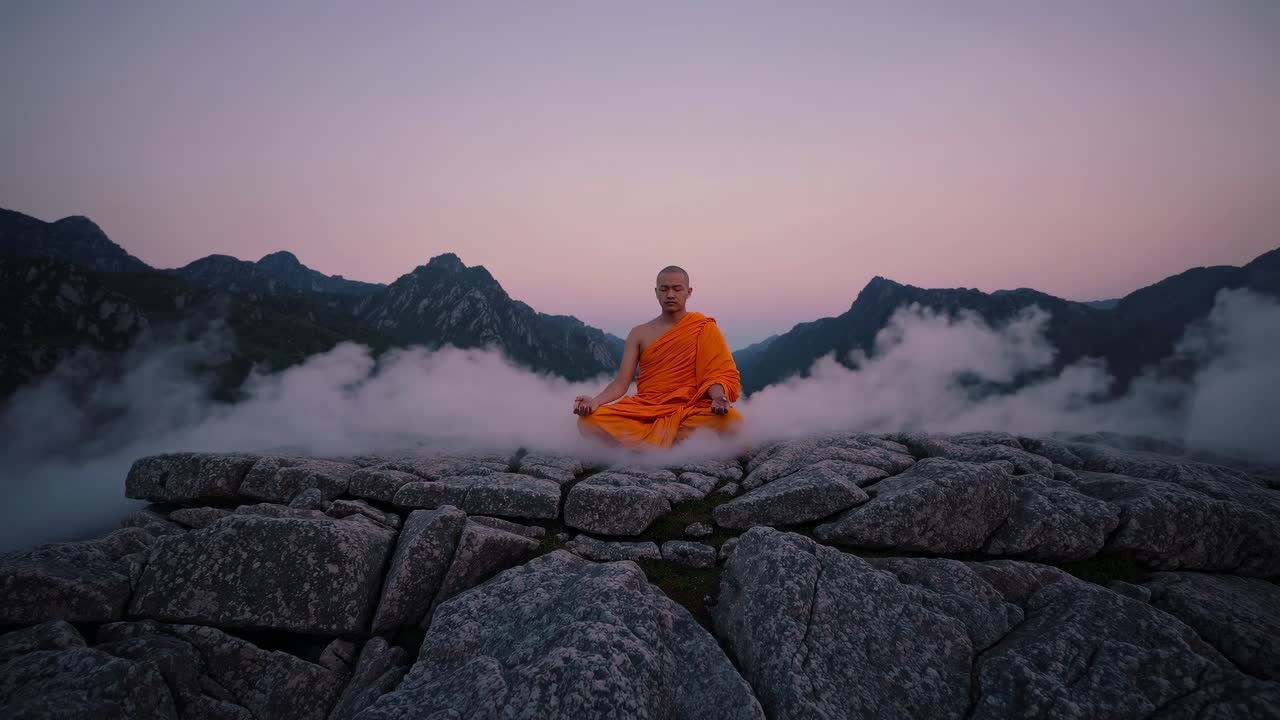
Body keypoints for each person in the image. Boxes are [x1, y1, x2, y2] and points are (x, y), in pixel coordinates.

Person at [573, 265, 744, 450]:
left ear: (689, 292)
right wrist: (596, 401)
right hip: (646, 410)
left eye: (677, 289)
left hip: (689, 410)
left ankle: (644, 443)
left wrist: (719, 397)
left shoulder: (703, 327)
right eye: (664, 289)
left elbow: (715, 373)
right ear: (656, 292)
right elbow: (621, 383)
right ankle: (673, 442)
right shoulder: (639, 333)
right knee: (588, 422)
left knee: (731, 421)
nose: (670, 294)